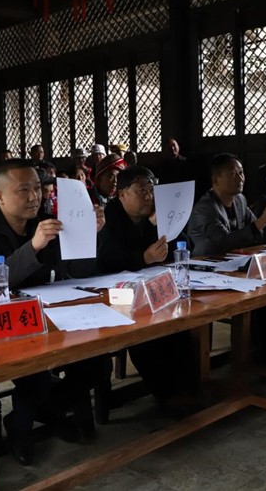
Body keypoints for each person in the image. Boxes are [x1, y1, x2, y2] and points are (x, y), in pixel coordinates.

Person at [0, 159, 107, 464]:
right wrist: (33, 246)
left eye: (37, 188)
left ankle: (37, 414)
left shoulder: (43, 219)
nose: (34, 197)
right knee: (36, 369)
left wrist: (89, 234)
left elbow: (76, 272)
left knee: (97, 362)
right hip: (3, 320)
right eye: (23, 190)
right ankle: (23, 427)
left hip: (49, 312)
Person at [96, 166, 199, 409]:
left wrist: (162, 225)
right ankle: (167, 395)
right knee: (145, 334)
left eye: (152, 190)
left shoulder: (154, 215)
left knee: (179, 326)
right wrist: (144, 257)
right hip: (115, 296)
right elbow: (107, 260)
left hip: (154, 289)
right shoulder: (108, 219)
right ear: (122, 194)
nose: (149, 196)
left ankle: (189, 388)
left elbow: (187, 246)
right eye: (141, 190)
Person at [188, 153, 266, 257]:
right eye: (232, 174)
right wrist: (263, 221)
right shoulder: (204, 209)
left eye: (241, 172)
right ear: (215, 180)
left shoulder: (240, 200)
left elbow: (257, 231)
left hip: (235, 259)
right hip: (207, 261)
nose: (240, 178)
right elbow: (224, 242)